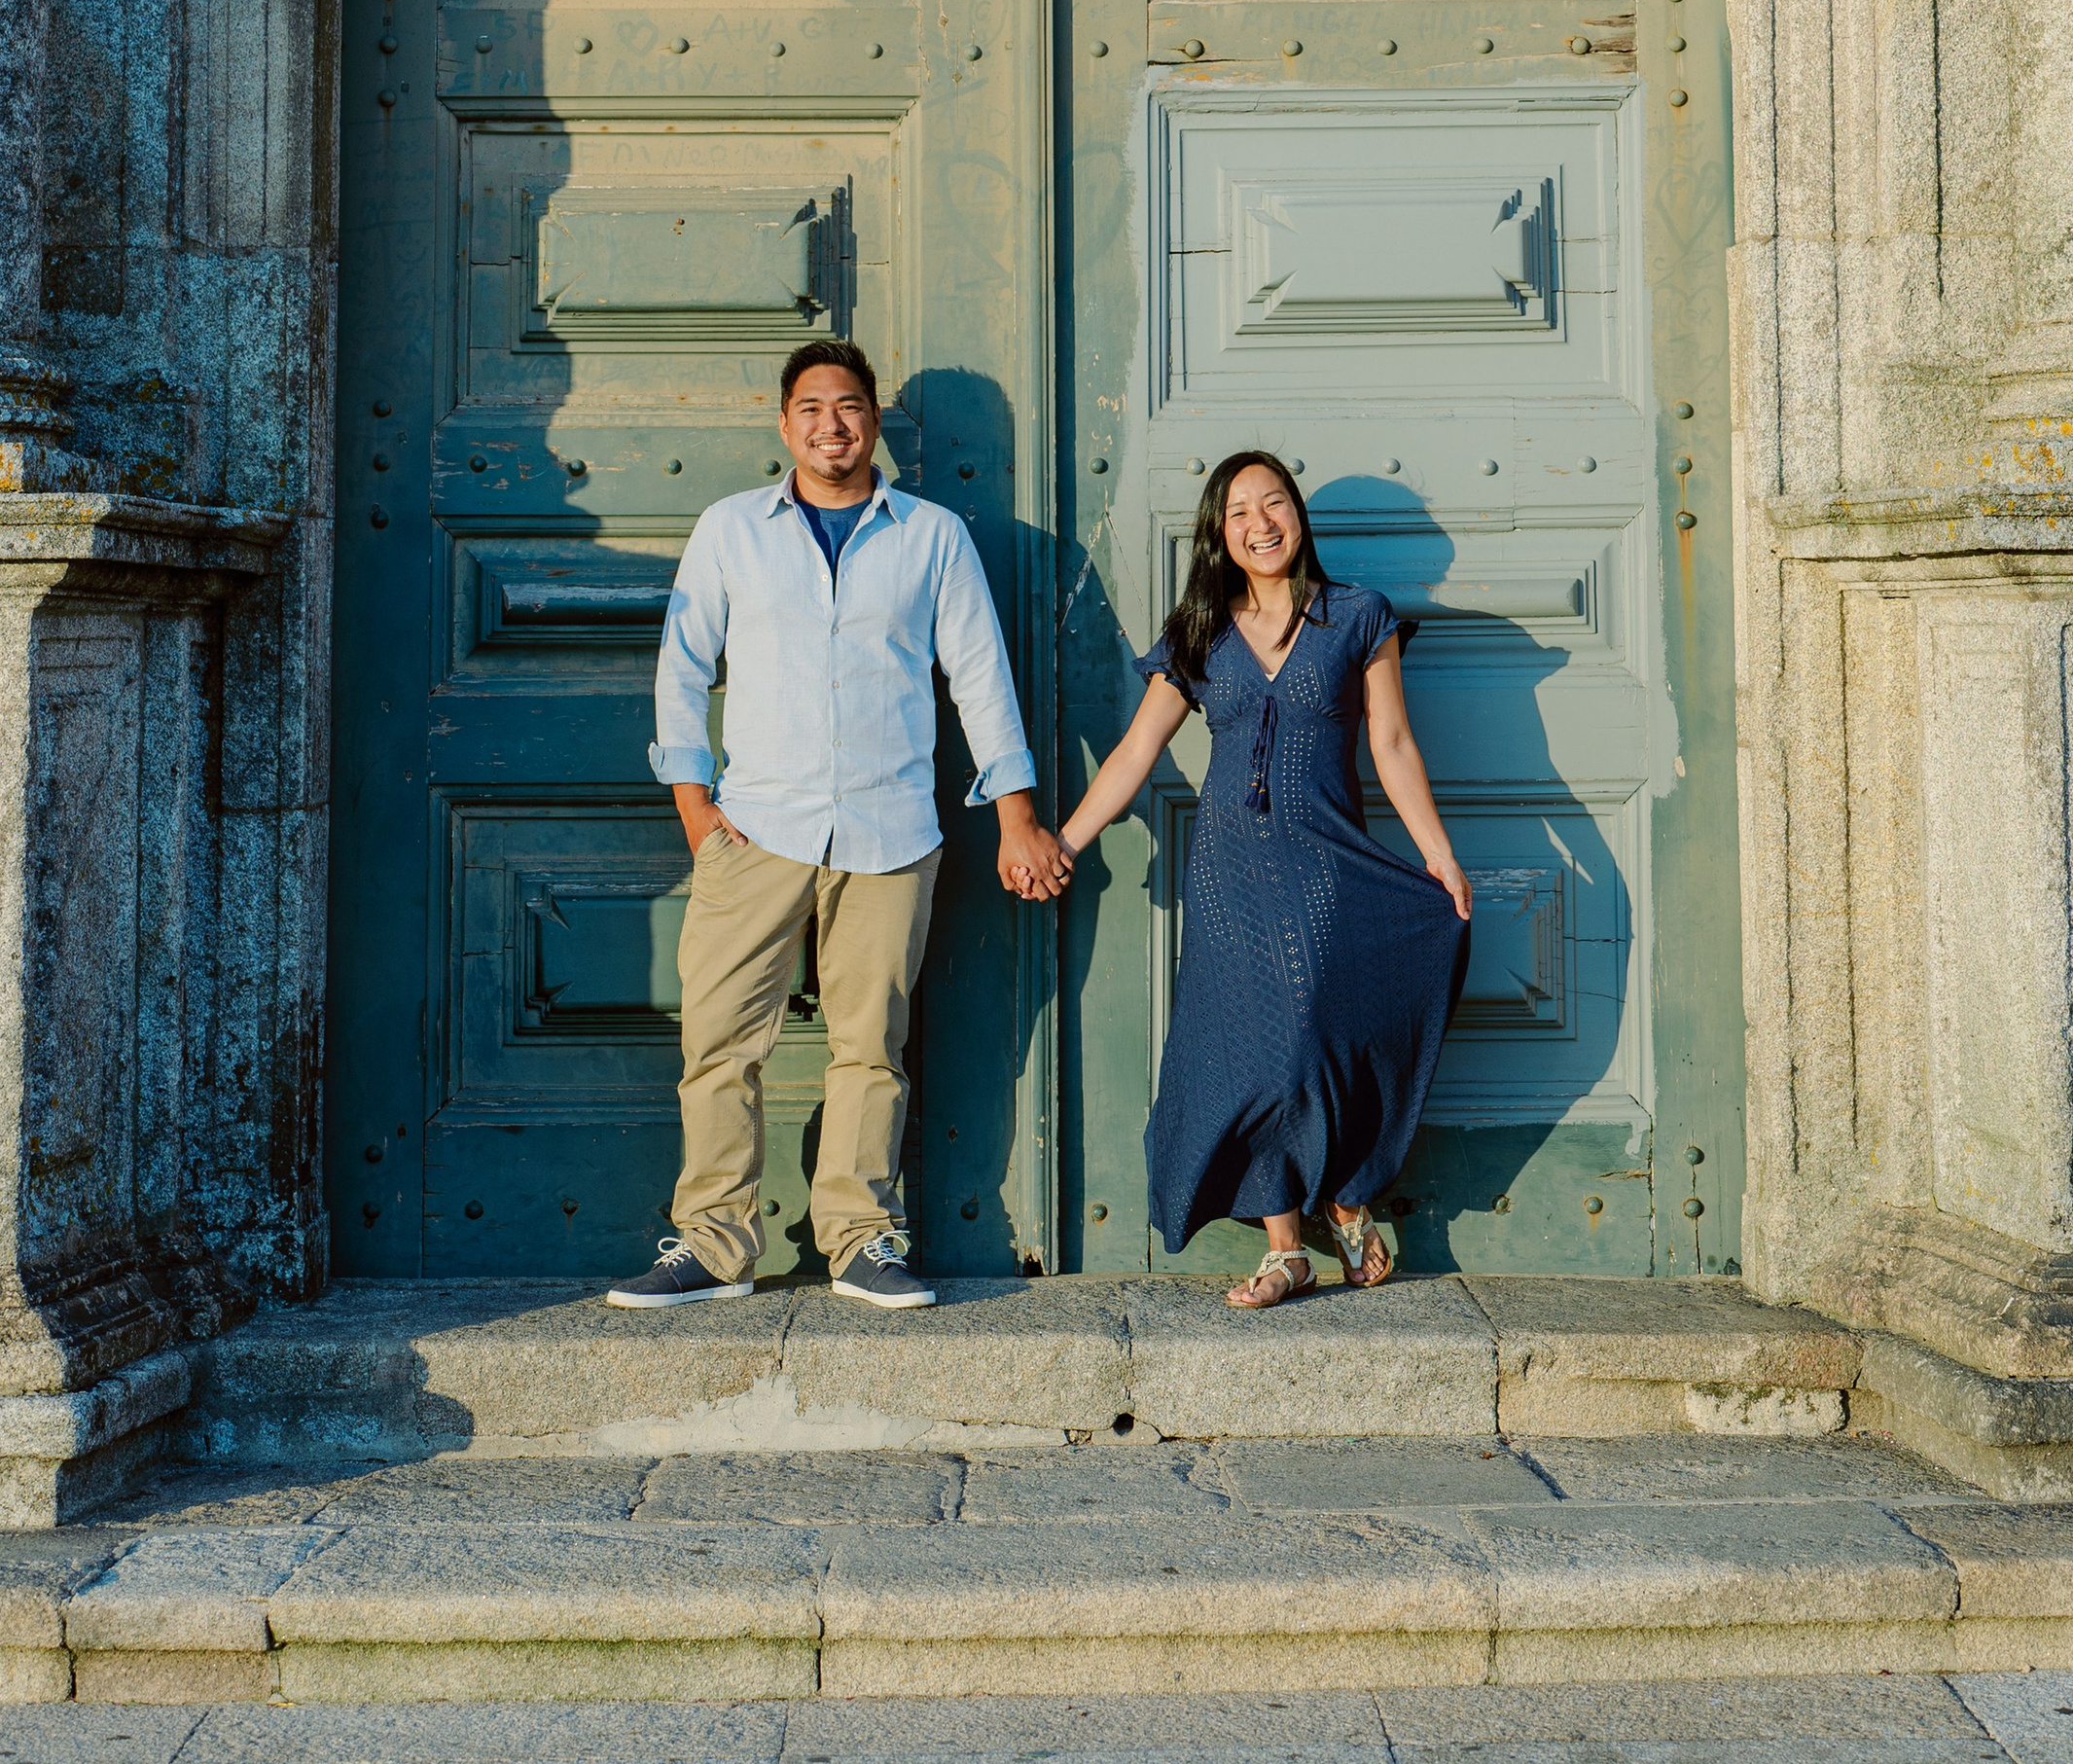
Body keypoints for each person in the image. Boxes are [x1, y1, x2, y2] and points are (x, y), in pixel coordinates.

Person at [605, 335, 1073, 1313]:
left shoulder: (931, 536)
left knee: (872, 1047)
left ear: (872, 424)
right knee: (720, 1044)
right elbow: (681, 669)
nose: (832, 423)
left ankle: (860, 1240)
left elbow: (979, 677)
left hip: (890, 830)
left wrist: (1018, 815)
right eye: (813, 407)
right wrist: (696, 809)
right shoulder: (733, 530)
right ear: (786, 425)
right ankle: (712, 1245)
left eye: (850, 406)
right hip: (755, 830)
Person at [1056, 450, 1475, 1307]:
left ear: (1296, 515)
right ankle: (1286, 1248)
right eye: (1240, 511)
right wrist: (1064, 840)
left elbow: (1391, 744)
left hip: (1327, 862)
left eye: (1273, 502)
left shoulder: (1360, 616)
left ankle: (1350, 1199)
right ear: (1221, 533)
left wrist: (1437, 851)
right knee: (1253, 1054)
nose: (1260, 522)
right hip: (1228, 873)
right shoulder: (1198, 631)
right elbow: (1139, 751)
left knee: (1320, 1040)